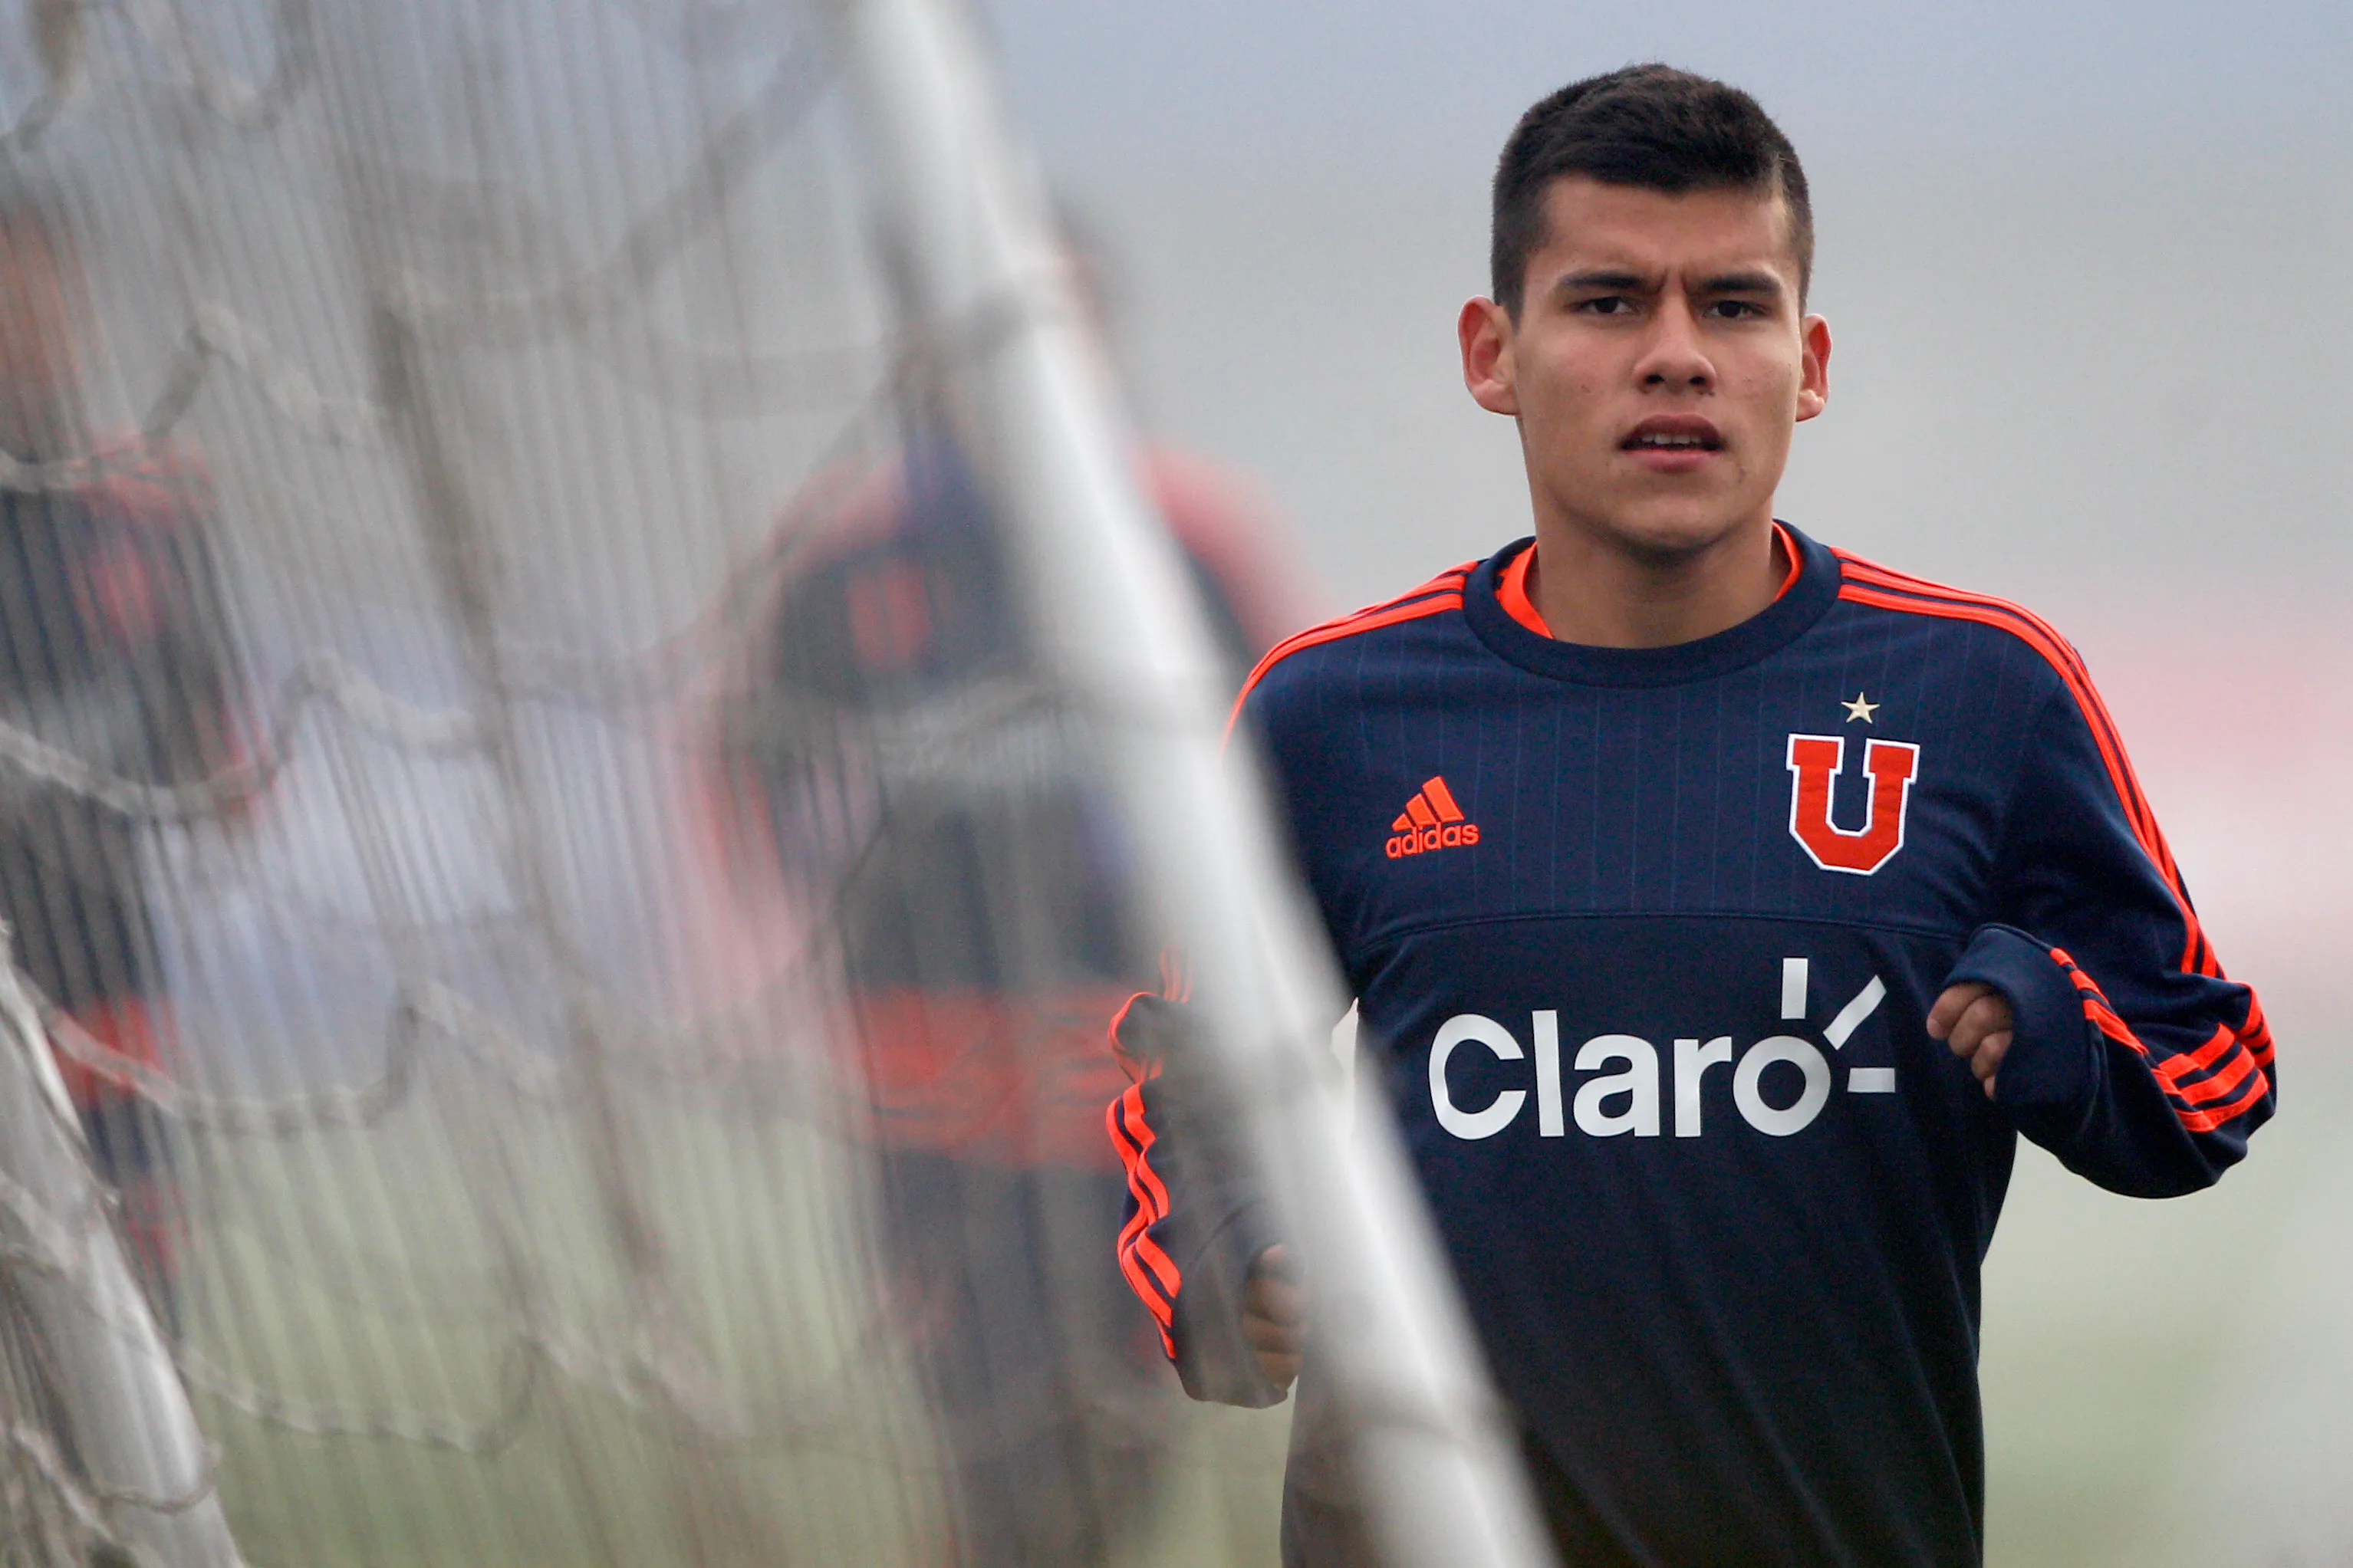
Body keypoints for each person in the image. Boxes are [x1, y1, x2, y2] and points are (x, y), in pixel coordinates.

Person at [1107, 64, 2275, 1566]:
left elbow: (2210, 1076)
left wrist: (2058, 1021)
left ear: (1809, 360)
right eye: (1606, 303)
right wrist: (1223, 1262)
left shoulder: (1986, 692)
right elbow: (1180, 1068)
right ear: (1491, 353)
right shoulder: (1328, 716)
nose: (1676, 356)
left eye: (1732, 304)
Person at [701, 290, 1311, 1559]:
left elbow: (1306, 752)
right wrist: (796, 932)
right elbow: (741, 760)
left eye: (1071, 319)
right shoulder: (847, 555)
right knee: (990, 1439)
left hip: (1136, 1074)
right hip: (936, 1080)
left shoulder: (1192, 537)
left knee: (1130, 1434)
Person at [0, 173, 242, 1336]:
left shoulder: (147, 508)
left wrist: (186, 762)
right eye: (11, 292)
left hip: (111, 1021)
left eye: (50, 291)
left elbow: (223, 774)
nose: (32, 320)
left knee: (140, 1352)